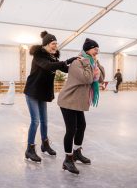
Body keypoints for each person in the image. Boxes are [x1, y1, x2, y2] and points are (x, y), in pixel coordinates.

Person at [24, 31, 78, 163]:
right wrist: (66, 61)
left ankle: (45, 144)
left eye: (56, 44)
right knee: (35, 121)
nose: (55, 46)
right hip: (32, 92)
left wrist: (77, 64)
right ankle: (29, 149)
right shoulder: (38, 56)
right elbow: (48, 66)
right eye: (53, 44)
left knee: (45, 122)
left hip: (42, 94)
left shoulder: (52, 57)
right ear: (46, 45)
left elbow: (64, 68)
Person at [57, 38, 105, 174]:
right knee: (71, 129)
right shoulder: (77, 63)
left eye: (98, 49)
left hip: (78, 101)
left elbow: (101, 78)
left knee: (81, 126)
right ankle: (68, 159)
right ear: (87, 49)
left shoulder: (92, 63)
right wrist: (89, 63)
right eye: (95, 48)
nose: (97, 51)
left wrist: (97, 64)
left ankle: (77, 152)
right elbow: (87, 79)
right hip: (68, 100)